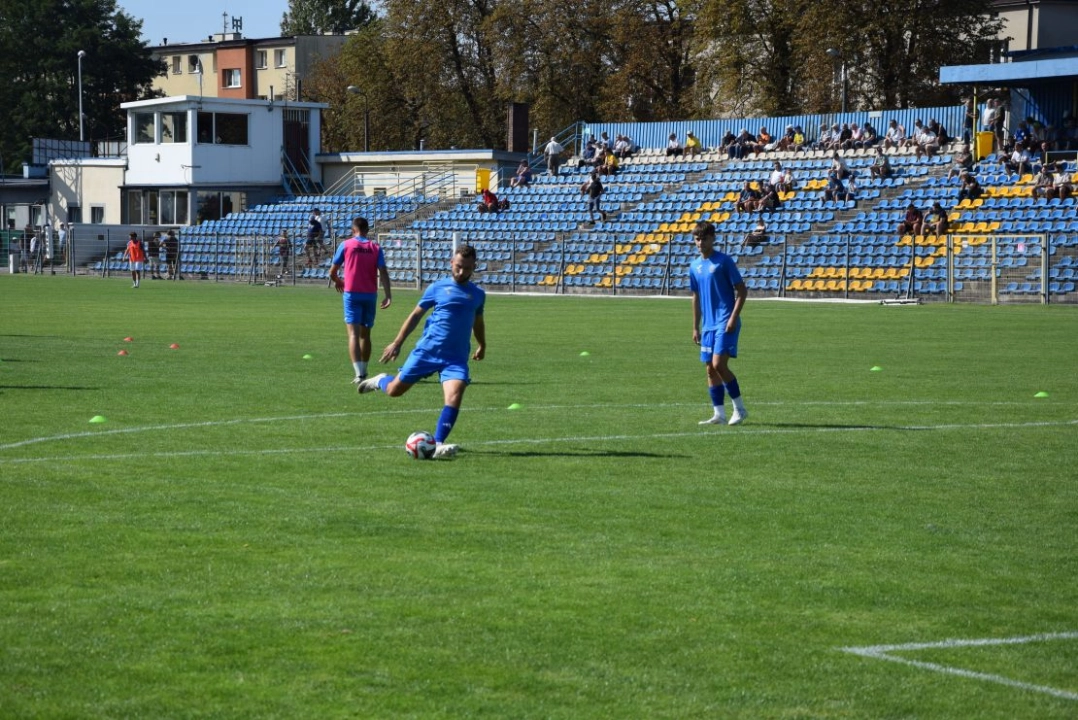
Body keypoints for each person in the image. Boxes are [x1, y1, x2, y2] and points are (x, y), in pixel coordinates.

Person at [357, 244, 487, 460]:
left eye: (467, 268)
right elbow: (415, 316)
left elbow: (478, 322)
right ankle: (381, 380)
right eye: (458, 267)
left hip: (455, 358)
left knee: (455, 394)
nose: (461, 272)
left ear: (475, 267)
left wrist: (482, 344)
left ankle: (437, 444)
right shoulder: (437, 288)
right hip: (427, 352)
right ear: (451, 264)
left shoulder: (478, 295)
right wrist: (397, 342)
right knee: (394, 390)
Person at [690, 221, 748, 426]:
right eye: (697, 239)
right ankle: (719, 414)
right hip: (708, 325)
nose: (701, 242)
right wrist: (696, 326)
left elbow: (742, 290)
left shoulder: (724, 261)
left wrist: (733, 317)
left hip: (725, 321)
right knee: (710, 370)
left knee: (718, 365)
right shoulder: (694, 266)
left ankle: (739, 409)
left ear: (713, 238)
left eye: (704, 238)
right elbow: (696, 297)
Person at [330, 216, 393, 387]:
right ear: (367, 230)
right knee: (366, 335)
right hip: (370, 294)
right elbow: (384, 272)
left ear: (353, 230)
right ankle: (364, 371)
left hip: (352, 294)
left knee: (353, 334)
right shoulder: (375, 247)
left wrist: (338, 281)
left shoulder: (346, 245)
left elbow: (332, 271)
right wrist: (388, 295)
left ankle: (359, 374)